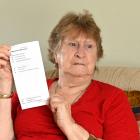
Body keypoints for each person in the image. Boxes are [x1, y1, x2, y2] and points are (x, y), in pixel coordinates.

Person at [0, 10, 139, 140]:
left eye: (89, 46)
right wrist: (5, 85)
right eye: (73, 44)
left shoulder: (113, 98)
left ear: (97, 55)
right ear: (55, 53)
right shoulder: (30, 88)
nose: (81, 53)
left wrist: (70, 126)